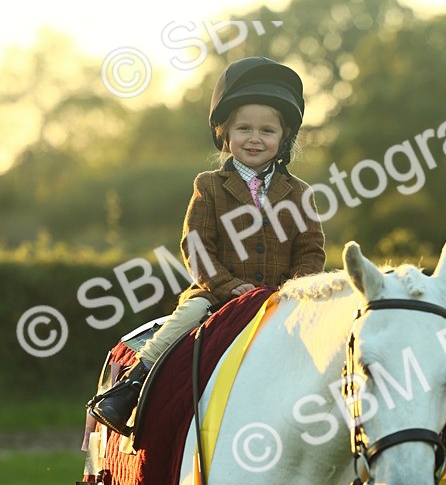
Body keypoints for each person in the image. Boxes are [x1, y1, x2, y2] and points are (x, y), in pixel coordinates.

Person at [89, 56, 325, 434]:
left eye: (267, 130)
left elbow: (310, 251)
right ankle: (132, 386)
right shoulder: (209, 186)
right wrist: (231, 287)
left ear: (283, 139)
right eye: (244, 128)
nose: (255, 138)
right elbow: (196, 245)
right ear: (225, 133)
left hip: (282, 299)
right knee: (184, 318)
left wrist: (293, 292)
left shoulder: (299, 193)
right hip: (216, 295)